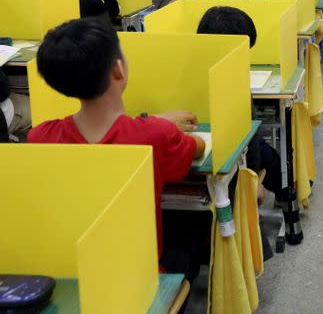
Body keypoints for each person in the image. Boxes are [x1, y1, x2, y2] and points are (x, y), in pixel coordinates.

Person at [27, 18, 207, 280]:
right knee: (191, 228)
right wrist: (157, 123)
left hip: (67, 270)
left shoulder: (40, 137)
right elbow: (198, 148)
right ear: (118, 69)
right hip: (137, 276)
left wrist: (152, 120)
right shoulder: (155, 135)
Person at [196, 6, 283, 202]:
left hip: (229, 147)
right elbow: (248, 138)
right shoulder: (234, 81)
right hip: (227, 156)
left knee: (269, 156)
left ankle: (288, 191)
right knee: (266, 154)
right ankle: (288, 197)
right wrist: (252, 183)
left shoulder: (192, 64)